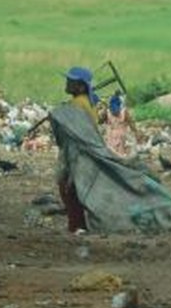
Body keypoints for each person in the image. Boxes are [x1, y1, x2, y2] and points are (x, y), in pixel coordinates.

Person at [55, 66, 100, 234]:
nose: (67, 83)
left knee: (68, 188)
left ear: (81, 87)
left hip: (77, 152)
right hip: (85, 151)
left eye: (70, 81)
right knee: (73, 189)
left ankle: (76, 226)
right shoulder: (86, 102)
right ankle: (78, 225)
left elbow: (69, 129)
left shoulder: (77, 103)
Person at [103, 90, 141, 157]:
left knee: (112, 153)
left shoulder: (107, 112)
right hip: (122, 135)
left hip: (110, 135)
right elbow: (131, 124)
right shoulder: (124, 111)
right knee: (122, 154)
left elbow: (102, 121)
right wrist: (136, 133)